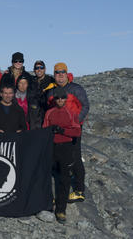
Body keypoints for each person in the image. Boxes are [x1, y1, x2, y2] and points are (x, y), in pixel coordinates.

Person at [44, 62, 89, 204]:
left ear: (67, 73)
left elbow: (85, 106)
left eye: (62, 72)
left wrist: (77, 123)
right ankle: (59, 187)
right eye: (57, 73)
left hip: (72, 130)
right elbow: (49, 109)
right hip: (57, 132)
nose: (60, 75)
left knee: (75, 156)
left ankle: (79, 190)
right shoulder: (51, 92)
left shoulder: (76, 89)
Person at [42, 87, 81, 223]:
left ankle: (61, 210)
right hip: (52, 147)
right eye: (57, 98)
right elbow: (44, 130)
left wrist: (62, 130)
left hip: (66, 148)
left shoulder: (71, 113)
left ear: (66, 99)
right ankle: (47, 205)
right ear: (54, 99)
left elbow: (77, 132)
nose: (60, 100)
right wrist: (49, 133)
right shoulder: (49, 113)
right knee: (46, 176)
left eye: (62, 98)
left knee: (64, 179)